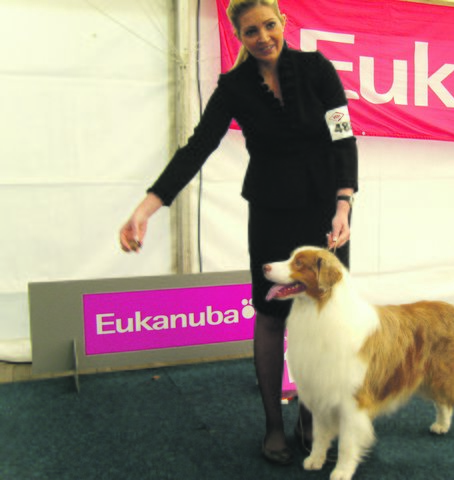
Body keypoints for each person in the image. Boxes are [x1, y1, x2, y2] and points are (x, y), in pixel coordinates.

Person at [119, 0, 357, 465]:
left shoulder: (317, 68)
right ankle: (273, 425)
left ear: (283, 22)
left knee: (323, 318)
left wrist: (344, 201)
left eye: (270, 25)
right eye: (251, 31)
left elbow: (342, 134)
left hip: (324, 212)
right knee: (271, 319)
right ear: (239, 37)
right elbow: (198, 147)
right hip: (270, 211)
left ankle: (311, 419)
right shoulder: (233, 86)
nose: (264, 36)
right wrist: (148, 207)